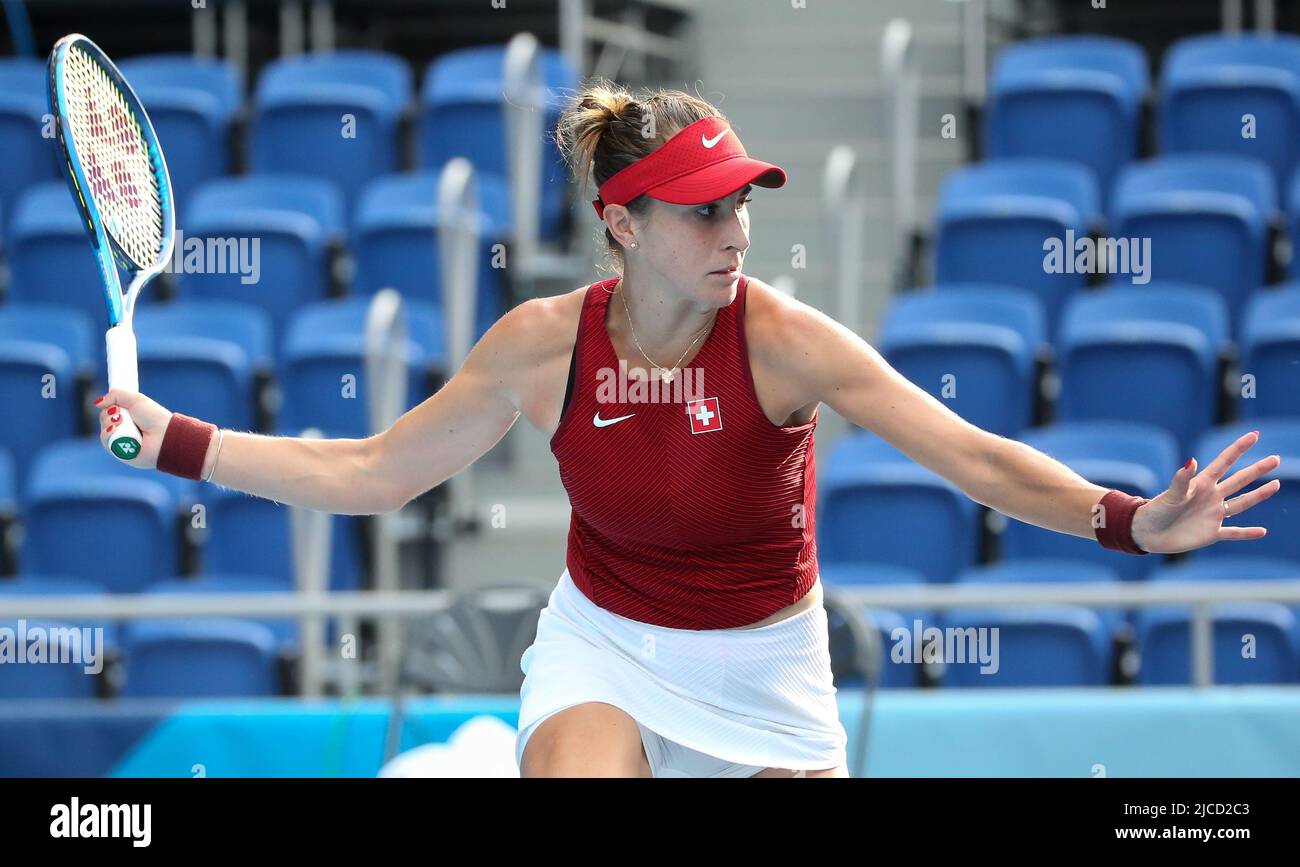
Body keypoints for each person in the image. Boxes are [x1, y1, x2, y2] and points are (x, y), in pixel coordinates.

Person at [93, 79, 1282, 778]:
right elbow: (368, 471)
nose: (736, 231)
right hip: (605, 649)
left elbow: (968, 455)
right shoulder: (540, 344)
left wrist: (1129, 522)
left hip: (769, 667)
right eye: (704, 210)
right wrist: (173, 438)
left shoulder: (785, 341)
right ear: (622, 221)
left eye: (743, 204)